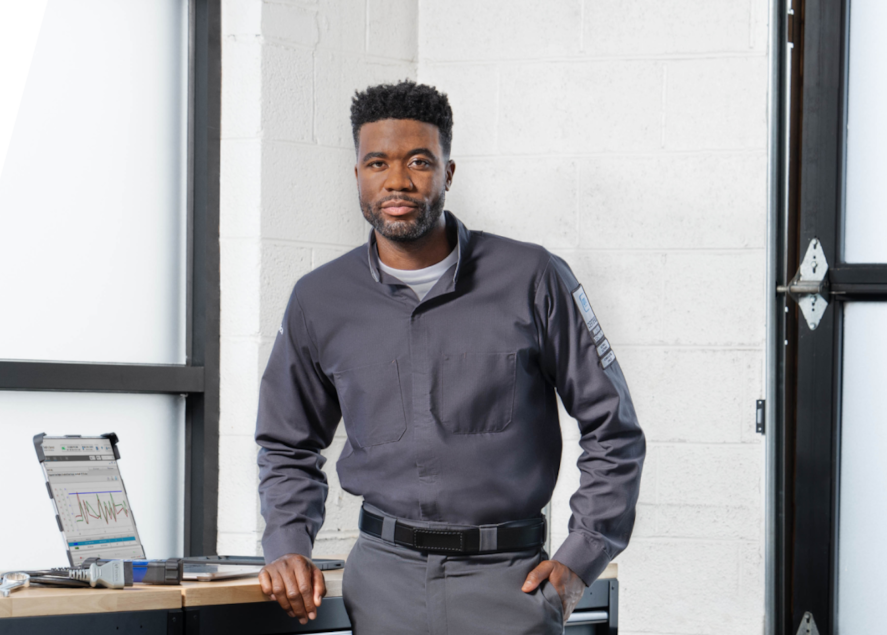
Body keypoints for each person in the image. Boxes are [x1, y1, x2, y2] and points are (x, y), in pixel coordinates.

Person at [254, 79, 645, 635]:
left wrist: (581, 558)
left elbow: (613, 429)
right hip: (381, 587)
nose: (397, 181)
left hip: (509, 583)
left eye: (419, 162)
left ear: (448, 172)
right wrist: (287, 544)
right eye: (377, 164)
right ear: (357, 174)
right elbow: (286, 443)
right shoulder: (318, 300)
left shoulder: (533, 278)